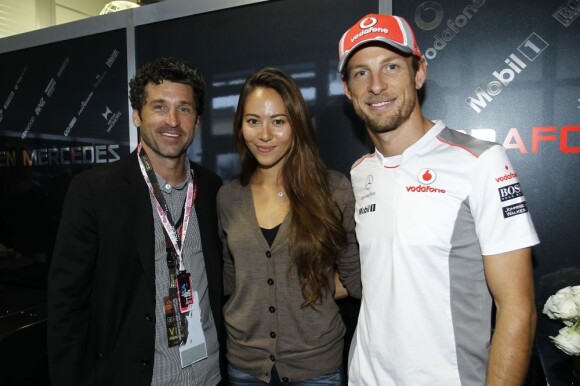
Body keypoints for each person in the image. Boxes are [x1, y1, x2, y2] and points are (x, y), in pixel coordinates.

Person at [338, 14, 540, 386]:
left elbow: (517, 309)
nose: (376, 85)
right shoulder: (360, 171)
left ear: (418, 73)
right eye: (361, 73)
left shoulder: (482, 162)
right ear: (348, 90)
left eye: (392, 66)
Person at [47, 57, 226, 385]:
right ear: (136, 115)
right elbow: (66, 306)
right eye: (159, 107)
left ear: (197, 121)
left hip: (210, 376)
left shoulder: (213, 188)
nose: (172, 120)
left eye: (184, 109)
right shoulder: (95, 191)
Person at [217, 67, 361, 385]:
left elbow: (357, 275)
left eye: (278, 121)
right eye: (253, 121)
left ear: (296, 124)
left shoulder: (334, 191)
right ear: (241, 126)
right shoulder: (228, 197)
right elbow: (232, 282)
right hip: (245, 367)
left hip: (317, 369)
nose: (265, 135)